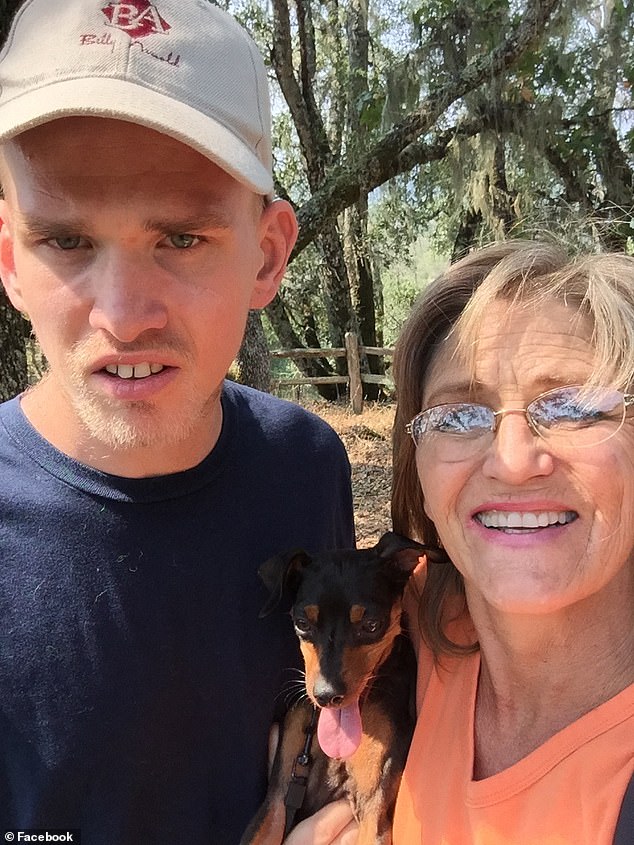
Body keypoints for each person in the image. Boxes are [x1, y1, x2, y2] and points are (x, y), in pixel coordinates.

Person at [0, 1, 356, 842]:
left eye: (182, 239)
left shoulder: (306, 469)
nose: (123, 317)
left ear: (267, 255)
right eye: (68, 242)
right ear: (9, 259)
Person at [390, 240, 634, 844]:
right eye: (458, 416)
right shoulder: (406, 623)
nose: (513, 460)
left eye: (574, 406)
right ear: (416, 466)